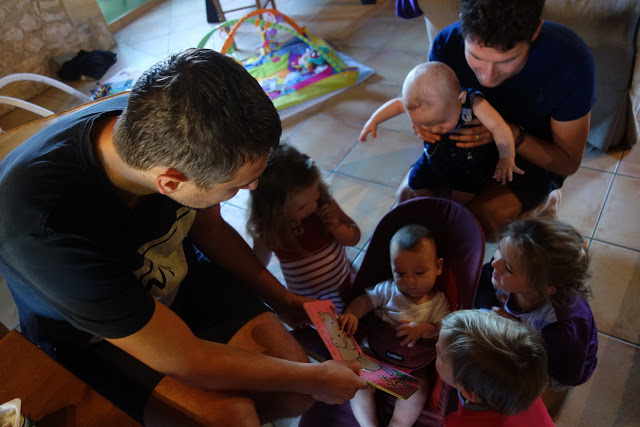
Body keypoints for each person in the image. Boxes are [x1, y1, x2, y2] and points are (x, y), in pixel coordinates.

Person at [0, 48, 368, 426]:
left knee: (292, 394)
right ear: (171, 182)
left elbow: (211, 229)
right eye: (237, 185)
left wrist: (282, 298)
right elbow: (185, 359)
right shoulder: (46, 230)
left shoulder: (167, 121)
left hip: (176, 277)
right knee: (236, 417)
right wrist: (317, 378)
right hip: (93, 336)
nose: (253, 188)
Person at [399, 0, 596, 241]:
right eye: (475, 56)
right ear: (462, 24)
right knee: (408, 201)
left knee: (481, 220)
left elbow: (567, 163)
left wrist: (506, 133)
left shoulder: (571, 61)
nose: (488, 77)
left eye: (506, 60)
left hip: (532, 153)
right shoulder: (446, 44)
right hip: (464, 154)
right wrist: (426, 125)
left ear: (535, 31)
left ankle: (545, 203)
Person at [474, 218, 598, 416]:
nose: (495, 263)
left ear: (545, 287)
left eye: (509, 268)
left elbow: (568, 375)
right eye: (499, 250)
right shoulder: (495, 273)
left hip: (554, 367)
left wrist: (516, 332)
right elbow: (478, 295)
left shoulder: (564, 328)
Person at [360, 61, 523, 202]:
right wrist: (373, 120)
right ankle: (433, 206)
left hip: (469, 165)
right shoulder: (421, 104)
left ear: (460, 98)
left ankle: (450, 207)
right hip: (434, 157)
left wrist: (506, 157)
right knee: (416, 183)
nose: (435, 129)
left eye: (442, 121)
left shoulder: (473, 102)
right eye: (425, 124)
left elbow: (499, 127)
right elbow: (397, 104)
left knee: (463, 196)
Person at [339, 224, 450, 427]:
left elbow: (444, 330)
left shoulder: (439, 302)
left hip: (411, 367)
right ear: (391, 268)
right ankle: (368, 424)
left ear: (438, 267)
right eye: (400, 273)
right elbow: (364, 301)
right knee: (357, 380)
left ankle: (398, 424)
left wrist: (425, 330)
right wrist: (352, 314)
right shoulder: (387, 289)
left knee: (418, 392)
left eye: (420, 272)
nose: (410, 281)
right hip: (375, 356)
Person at [247, 144, 361, 312]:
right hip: (306, 299)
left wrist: (338, 227)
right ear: (274, 210)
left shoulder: (323, 204)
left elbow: (355, 237)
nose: (313, 206)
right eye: (301, 207)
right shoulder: (269, 229)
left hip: (342, 287)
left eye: (316, 193)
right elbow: (257, 265)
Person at [436, 309, 555, 426]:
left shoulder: (456, 423)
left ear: (469, 394)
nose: (436, 347)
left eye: (440, 354)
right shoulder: (523, 387)